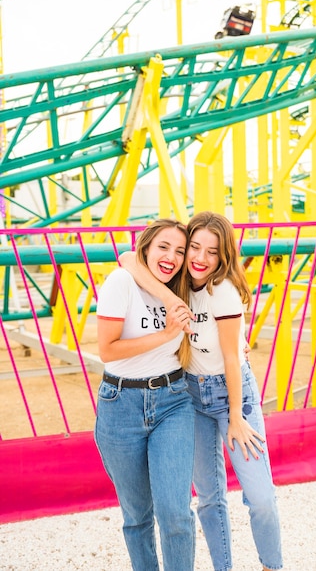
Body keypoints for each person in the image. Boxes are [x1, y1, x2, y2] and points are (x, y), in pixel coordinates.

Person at [120, 211, 283, 571]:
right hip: (189, 395)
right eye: (194, 247)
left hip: (231, 393)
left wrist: (238, 417)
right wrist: (170, 297)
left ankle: (273, 565)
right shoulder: (177, 280)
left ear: (223, 256)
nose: (200, 258)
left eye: (212, 252)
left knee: (260, 498)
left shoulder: (220, 290)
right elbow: (128, 257)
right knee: (209, 498)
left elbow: (229, 356)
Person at [94, 218, 196, 571]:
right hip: (121, 405)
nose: (172, 257)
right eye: (163, 247)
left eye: (180, 251)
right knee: (137, 516)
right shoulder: (122, 282)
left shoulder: (183, 287)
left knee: (176, 513)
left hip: (173, 402)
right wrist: (167, 333)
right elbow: (107, 349)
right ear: (147, 249)